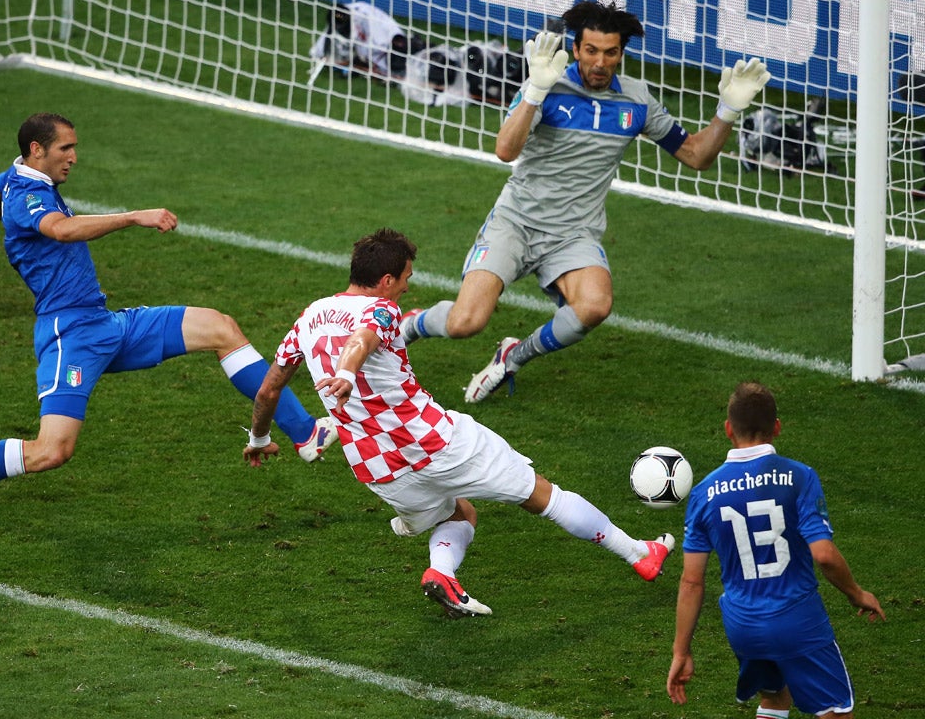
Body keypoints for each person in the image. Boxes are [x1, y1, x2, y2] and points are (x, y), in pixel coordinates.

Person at [0, 112, 336, 506]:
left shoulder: (14, 179)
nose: (73, 157)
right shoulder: (29, 197)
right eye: (64, 149)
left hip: (103, 323)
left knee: (219, 327)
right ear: (36, 151)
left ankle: (305, 433)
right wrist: (133, 217)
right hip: (69, 336)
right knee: (52, 451)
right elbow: (63, 230)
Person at [242, 227, 674, 618]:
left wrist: (260, 437)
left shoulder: (308, 318)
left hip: (380, 471)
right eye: (406, 277)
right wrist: (349, 370)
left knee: (459, 513)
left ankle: (441, 572)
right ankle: (639, 553)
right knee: (541, 494)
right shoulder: (382, 309)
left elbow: (267, 391)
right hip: (439, 443)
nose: (409, 285)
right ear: (386, 280)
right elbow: (363, 338)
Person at [399, 1, 772, 403]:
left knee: (595, 305)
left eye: (610, 53)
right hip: (516, 223)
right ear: (575, 49)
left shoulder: (636, 100)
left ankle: (512, 357)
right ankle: (407, 327)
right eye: (591, 51)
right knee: (465, 322)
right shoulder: (548, 84)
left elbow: (696, 156)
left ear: (621, 55)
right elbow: (506, 150)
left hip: (573, 234)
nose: (599, 62)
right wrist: (536, 91)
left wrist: (728, 111)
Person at [666, 382, 885, 718]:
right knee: (836, 713)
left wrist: (681, 650)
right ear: (777, 428)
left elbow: (692, 582)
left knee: (774, 699)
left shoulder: (703, 492)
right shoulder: (799, 477)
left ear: (728, 429)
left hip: (743, 626)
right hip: (798, 621)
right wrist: (856, 593)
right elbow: (824, 554)